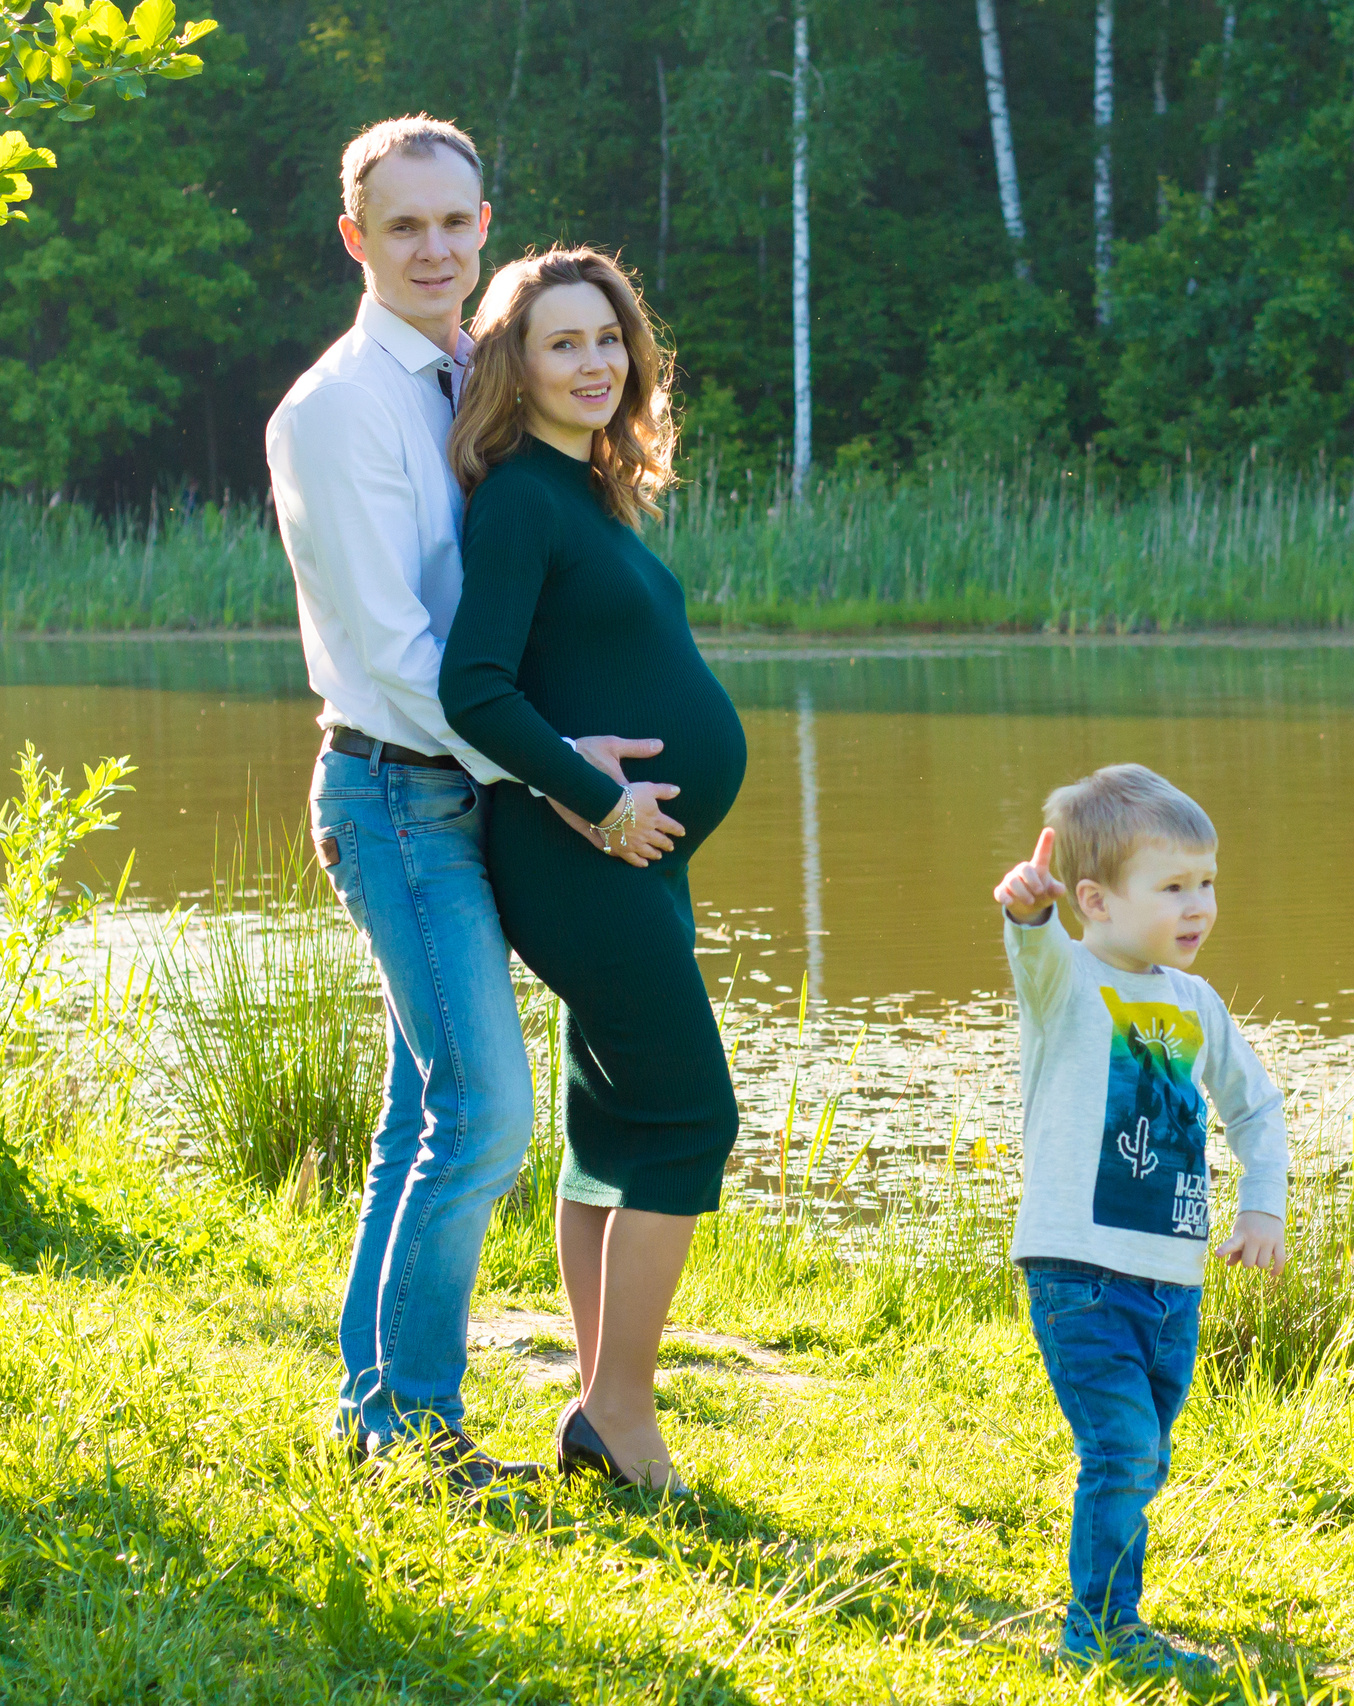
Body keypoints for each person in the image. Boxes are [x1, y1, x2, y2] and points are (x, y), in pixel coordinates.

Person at [265, 118, 659, 1494]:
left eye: (454, 222)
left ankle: (375, 1407)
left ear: (485, 225)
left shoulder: (477, 376)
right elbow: (393, 651)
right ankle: (417, 1427)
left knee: (419, 1116)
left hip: (470, 789)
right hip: (398, 791)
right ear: (355, 238)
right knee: (486, 1114)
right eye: (403, 225)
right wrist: (562, 770)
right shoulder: (333, 411)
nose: (432, 248)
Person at [439, 246, 743, 1494]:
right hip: (579, 854)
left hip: (632, 859)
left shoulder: (586, 489)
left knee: (614, 1124)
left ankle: (596, 1398)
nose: (594, 361)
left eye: (608, 337)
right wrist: (596, 795)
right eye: (561, 342)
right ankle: (620, 1413)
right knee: (692, 1116)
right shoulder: (521, 497)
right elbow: (473, 689)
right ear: (512, 363)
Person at [989, 764, 1289, 1675]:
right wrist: (1027, 912)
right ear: (1096, 901)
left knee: (1145, 1456)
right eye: (1173, 887)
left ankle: (1110, 1607)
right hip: (1079, 1273)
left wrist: (1263, 1205)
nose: (1199, 906)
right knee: (1119, 1451)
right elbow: (1033, 945)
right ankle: (1101, 1630)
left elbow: (1256, 1108)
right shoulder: (1066, 982)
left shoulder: (1198, 1003)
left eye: (1207, 883)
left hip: (1172, 1281)